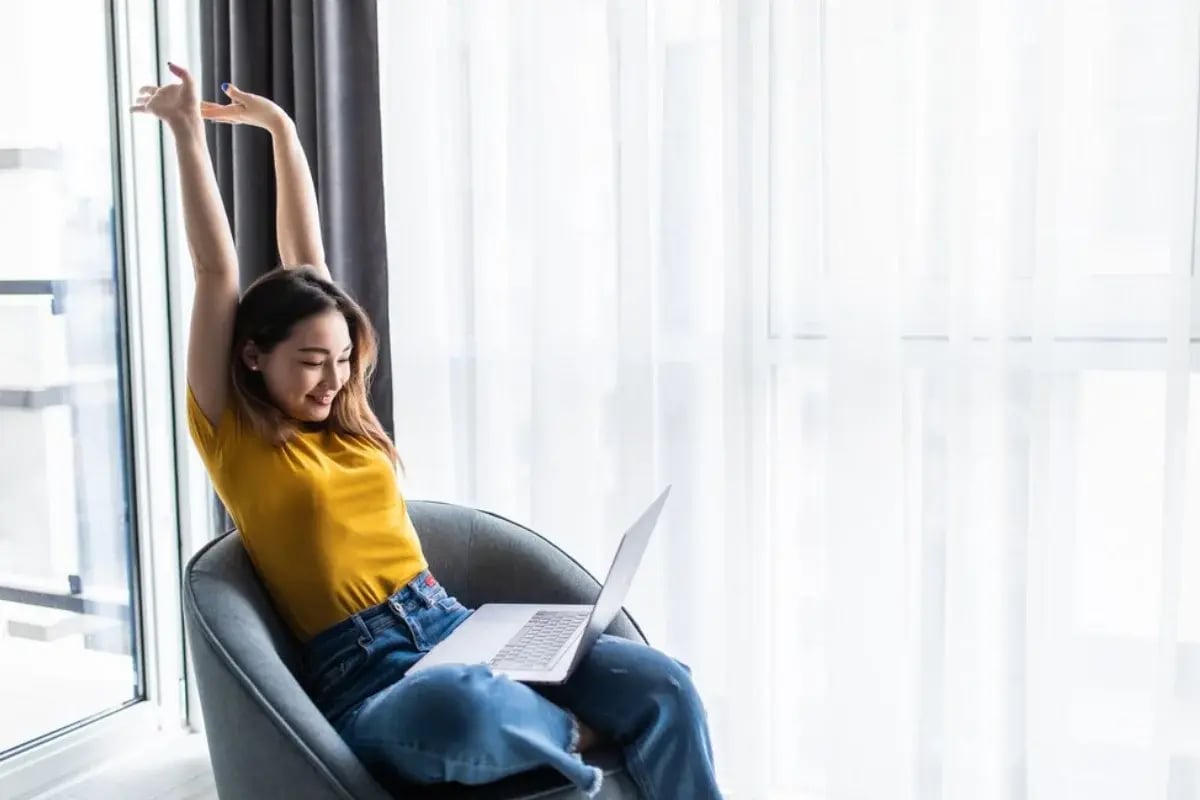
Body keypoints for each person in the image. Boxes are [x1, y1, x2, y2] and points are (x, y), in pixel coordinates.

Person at [133, 62, 722, 798]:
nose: (334, 378)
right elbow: (214, 271)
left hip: (454, 621)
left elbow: (308, 264)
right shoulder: (235, 438)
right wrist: (187, 130)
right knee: (461, 710)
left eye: (344, 358)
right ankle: (564, 739)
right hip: (368, 675)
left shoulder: (350, 423)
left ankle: (538, 726)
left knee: (665, 683)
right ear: (251, 355)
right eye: (311, 362)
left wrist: (282, 132)